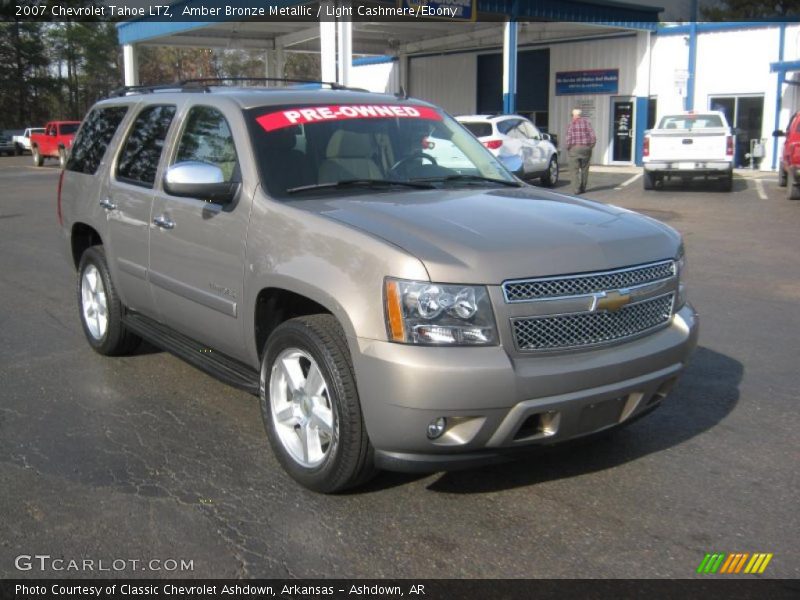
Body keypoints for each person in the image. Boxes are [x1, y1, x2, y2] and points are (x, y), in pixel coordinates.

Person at [566, 108, 596, 194]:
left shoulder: (571, 124)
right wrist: (590, 146)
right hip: (586, 148)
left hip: (574, 148)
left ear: (574, 115)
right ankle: (583, 188)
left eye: (572, 115)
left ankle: (576, 189)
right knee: (584, 169)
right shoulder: (587, 123)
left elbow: (568, 138)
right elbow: (593, 137)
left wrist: (568, 148)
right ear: (580, 115)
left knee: (574, 170)